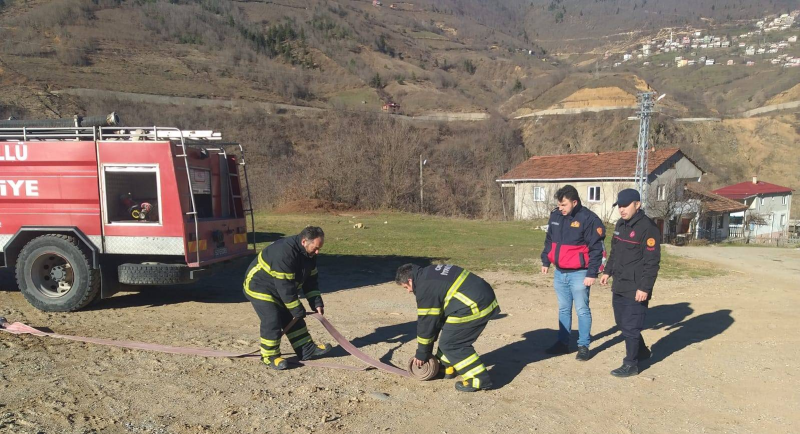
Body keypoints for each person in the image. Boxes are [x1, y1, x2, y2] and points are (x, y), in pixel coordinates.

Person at [395, 263, 500, 392]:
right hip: (480, 297)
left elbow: (427, 324)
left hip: (475, 305)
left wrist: (422, 353)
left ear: (410, 280)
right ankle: (447, 368)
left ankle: (479, 379)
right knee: (450, 333)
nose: (409, 291)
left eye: (406, 287)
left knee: (452, 344)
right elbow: (436, 320)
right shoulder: (428, 273)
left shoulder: (424, 288)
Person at [243, 226, 332, 370]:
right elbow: (285, 286)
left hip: (280, 287)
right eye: (315, 248)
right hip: (259, 285)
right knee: (272, 317)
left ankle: (305, 348)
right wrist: (296, 308)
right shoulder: (284, 253)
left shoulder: (309, 255)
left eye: (319, 248)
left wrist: (316, 302)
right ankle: (269, 356)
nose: (317, 252)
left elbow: (310, 280)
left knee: (292, 313)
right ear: (304, 241)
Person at [600, 188, 661, 377]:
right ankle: (641, 351)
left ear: (637, 204)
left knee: (632, 325)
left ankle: (631, 364)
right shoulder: (621, 224)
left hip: (636, 286)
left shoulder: (648, 228)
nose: (622, 210)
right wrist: (607, 271)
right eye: (619, 206)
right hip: (620, 282)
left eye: (625, 206)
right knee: (621, 322)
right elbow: (615, 252)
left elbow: (652, 262)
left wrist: (644, 287)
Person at [541, 185, 606, 361]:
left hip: (580, 273)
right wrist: (546, 260)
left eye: (564, 205)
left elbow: (596, 250)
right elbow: (549, 240)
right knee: (563, 309)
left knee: (582, 310)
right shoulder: (555, 216)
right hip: (560, 272)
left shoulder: (589, 219)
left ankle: (583, 346)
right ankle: (563, 343)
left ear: (574, 202)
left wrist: (592, 273)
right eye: (559, 205)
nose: (560, 208)